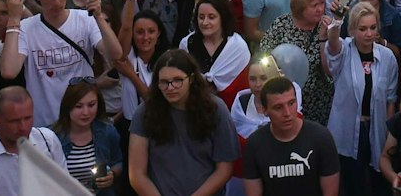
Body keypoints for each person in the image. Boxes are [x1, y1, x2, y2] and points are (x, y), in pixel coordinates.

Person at [21, 0, 128, 127]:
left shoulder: (85, 19)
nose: (56, 2)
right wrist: (14, 18)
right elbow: (9, 71)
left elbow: (116, 54)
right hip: (45, 124)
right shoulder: (25, 27)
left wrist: (98, 16)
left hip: (84, 122)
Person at [128, 50, 239, 196]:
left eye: (177, 80)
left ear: (191, 79)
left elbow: (225, 169)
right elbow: (136, 174)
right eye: (164, 82)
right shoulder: (144, 112)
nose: (170, 87)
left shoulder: (216, 109)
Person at [324, 0, 398, 196]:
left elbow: (391, 98)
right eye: (362, 28)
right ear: (352, 30)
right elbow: (332, 44)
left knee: (379, 183)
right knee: (353, 185)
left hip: (377, 128)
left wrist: (388, 132)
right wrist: (337, 19)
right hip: (347, 131)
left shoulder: (387, 57)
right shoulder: (344, 50)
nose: (369, 33)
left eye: (373, 27)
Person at [241, 77, 341, 196]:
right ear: (264, 110)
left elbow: (331, 192)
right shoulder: (255, 144)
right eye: (278, 107)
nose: (287, 113)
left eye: (291, 103)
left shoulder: (321, 138)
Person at [0, 87, 67, 196]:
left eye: (28, 118)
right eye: (14, 121)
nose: (23, 127)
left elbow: (65, 189)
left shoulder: (48, 141)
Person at [55, 80, 126, 192]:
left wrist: (112, 174)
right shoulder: (53, 136)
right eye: (78, 106)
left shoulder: (108, 132)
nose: (86, 112)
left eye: (91, 105)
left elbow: (118, 161)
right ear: (67, 106)